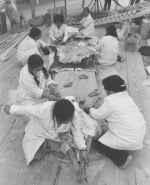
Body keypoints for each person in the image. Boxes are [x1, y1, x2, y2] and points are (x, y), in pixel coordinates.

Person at [3, 97, 97, 182]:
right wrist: (11, 109)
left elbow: (77, 132)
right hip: (41, 132)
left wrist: (83, 148)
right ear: (58, 118)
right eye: (66, 121)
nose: (69, 121)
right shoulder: (43, 110)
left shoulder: (73, 114)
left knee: (74, 143)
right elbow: (26, 110)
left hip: (60, 134)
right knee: (36, 155)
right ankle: (50, 144)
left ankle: (72, 161)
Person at [84, 75, 146, 168]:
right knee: (108, 126)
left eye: (105, 89)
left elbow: (97, 115)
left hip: (128, 139)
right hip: (138, 134)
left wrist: (89, 109)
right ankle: (123, 146)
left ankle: (122, 158)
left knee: (96, 143)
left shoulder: (110, 101)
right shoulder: (126, 97)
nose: (105, 92)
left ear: (111, 91)